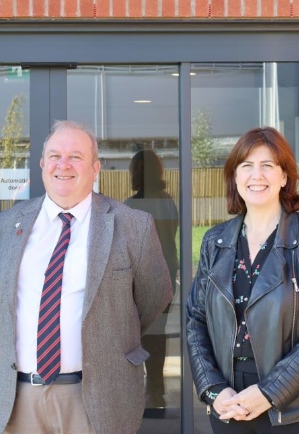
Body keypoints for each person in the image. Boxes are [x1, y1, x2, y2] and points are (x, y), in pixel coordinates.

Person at [0, 121, 173, 434]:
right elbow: (4, 290)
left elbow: (155, 296)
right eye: (55, 156)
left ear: (95, 168)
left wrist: (109, 331)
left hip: (97, 397)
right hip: (21, 400)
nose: (64, 164)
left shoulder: (133, 225)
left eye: (76, 156)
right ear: (43, 164)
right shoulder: (9, 224)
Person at [186, 127, 299, 433]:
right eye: (246, 166)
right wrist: (213, 388)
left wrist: (269, 392)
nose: (256, 175)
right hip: (231, 401)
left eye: (267, 166)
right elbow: (196, 320)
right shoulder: (214, 242)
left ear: (284, 177)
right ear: (235, 177)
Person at [124, 149, 179, 417]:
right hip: (166, 275)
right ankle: (155, 391)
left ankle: (144, 393)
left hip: (139, 280)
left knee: (139, 337)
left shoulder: (131, 205)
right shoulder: (168, 201)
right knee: (157, 335)